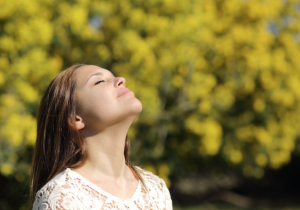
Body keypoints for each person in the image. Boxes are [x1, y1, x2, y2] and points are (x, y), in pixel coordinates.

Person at [30, 64, 172, 209]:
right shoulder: (63, 198)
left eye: (113, 76)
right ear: (75, 118)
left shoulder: (155, 189)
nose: (121, 79)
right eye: (99, 81)